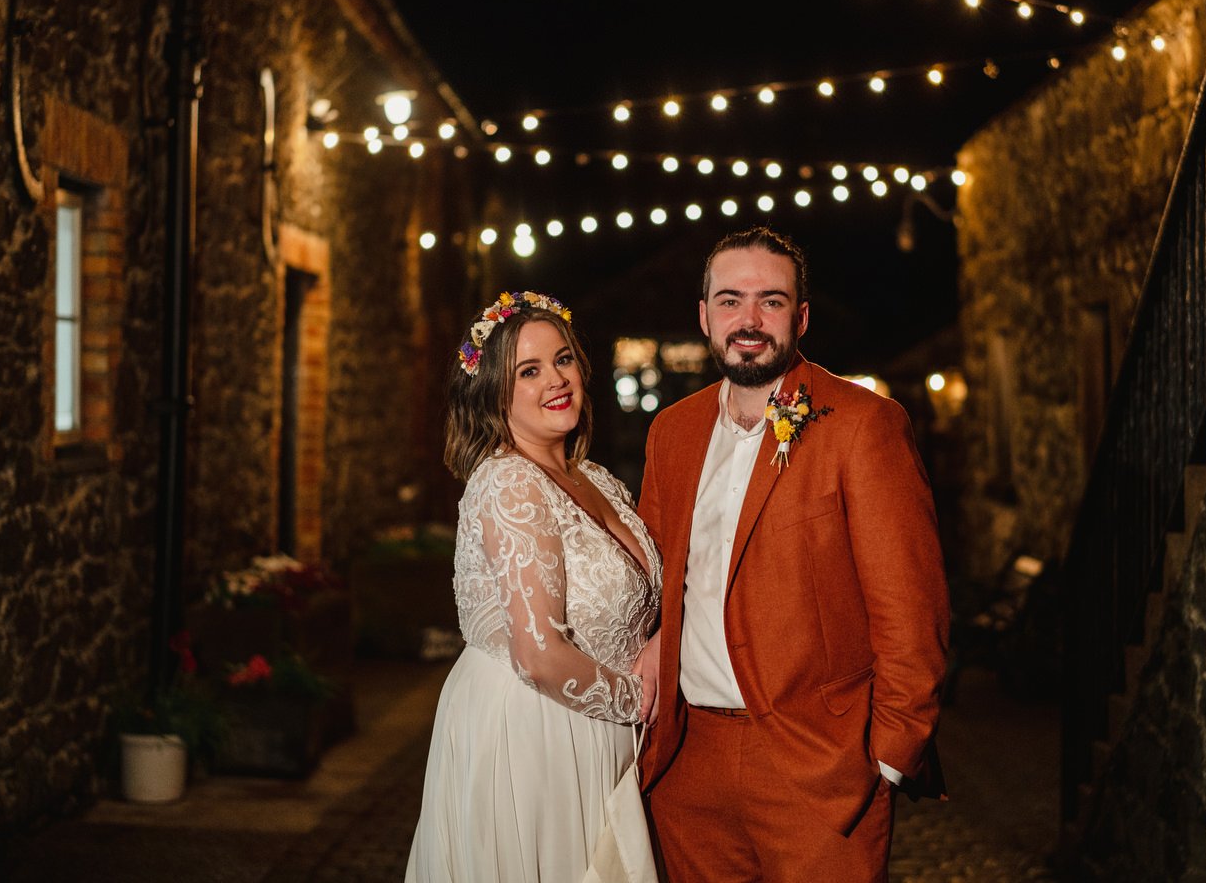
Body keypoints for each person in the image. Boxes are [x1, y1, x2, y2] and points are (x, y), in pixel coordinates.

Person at [633, 228, 949, 881]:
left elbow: (910, 606)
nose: (748, 320)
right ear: (704, 315)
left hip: (818, 764)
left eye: (770, 301)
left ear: (800, 317)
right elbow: (656, 581)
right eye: (730, 300)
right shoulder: (673, 431)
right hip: (689, 762)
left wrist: (886, 758)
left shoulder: (863, 425)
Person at [406, 291, 661, 883]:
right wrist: (641, 704)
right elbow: (539, 655)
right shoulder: (508, 484)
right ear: (495, 394)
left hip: (601, 732)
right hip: (534, 731)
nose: (556, 379)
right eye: (530, 370)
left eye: (564, 359)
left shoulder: (595, 478)